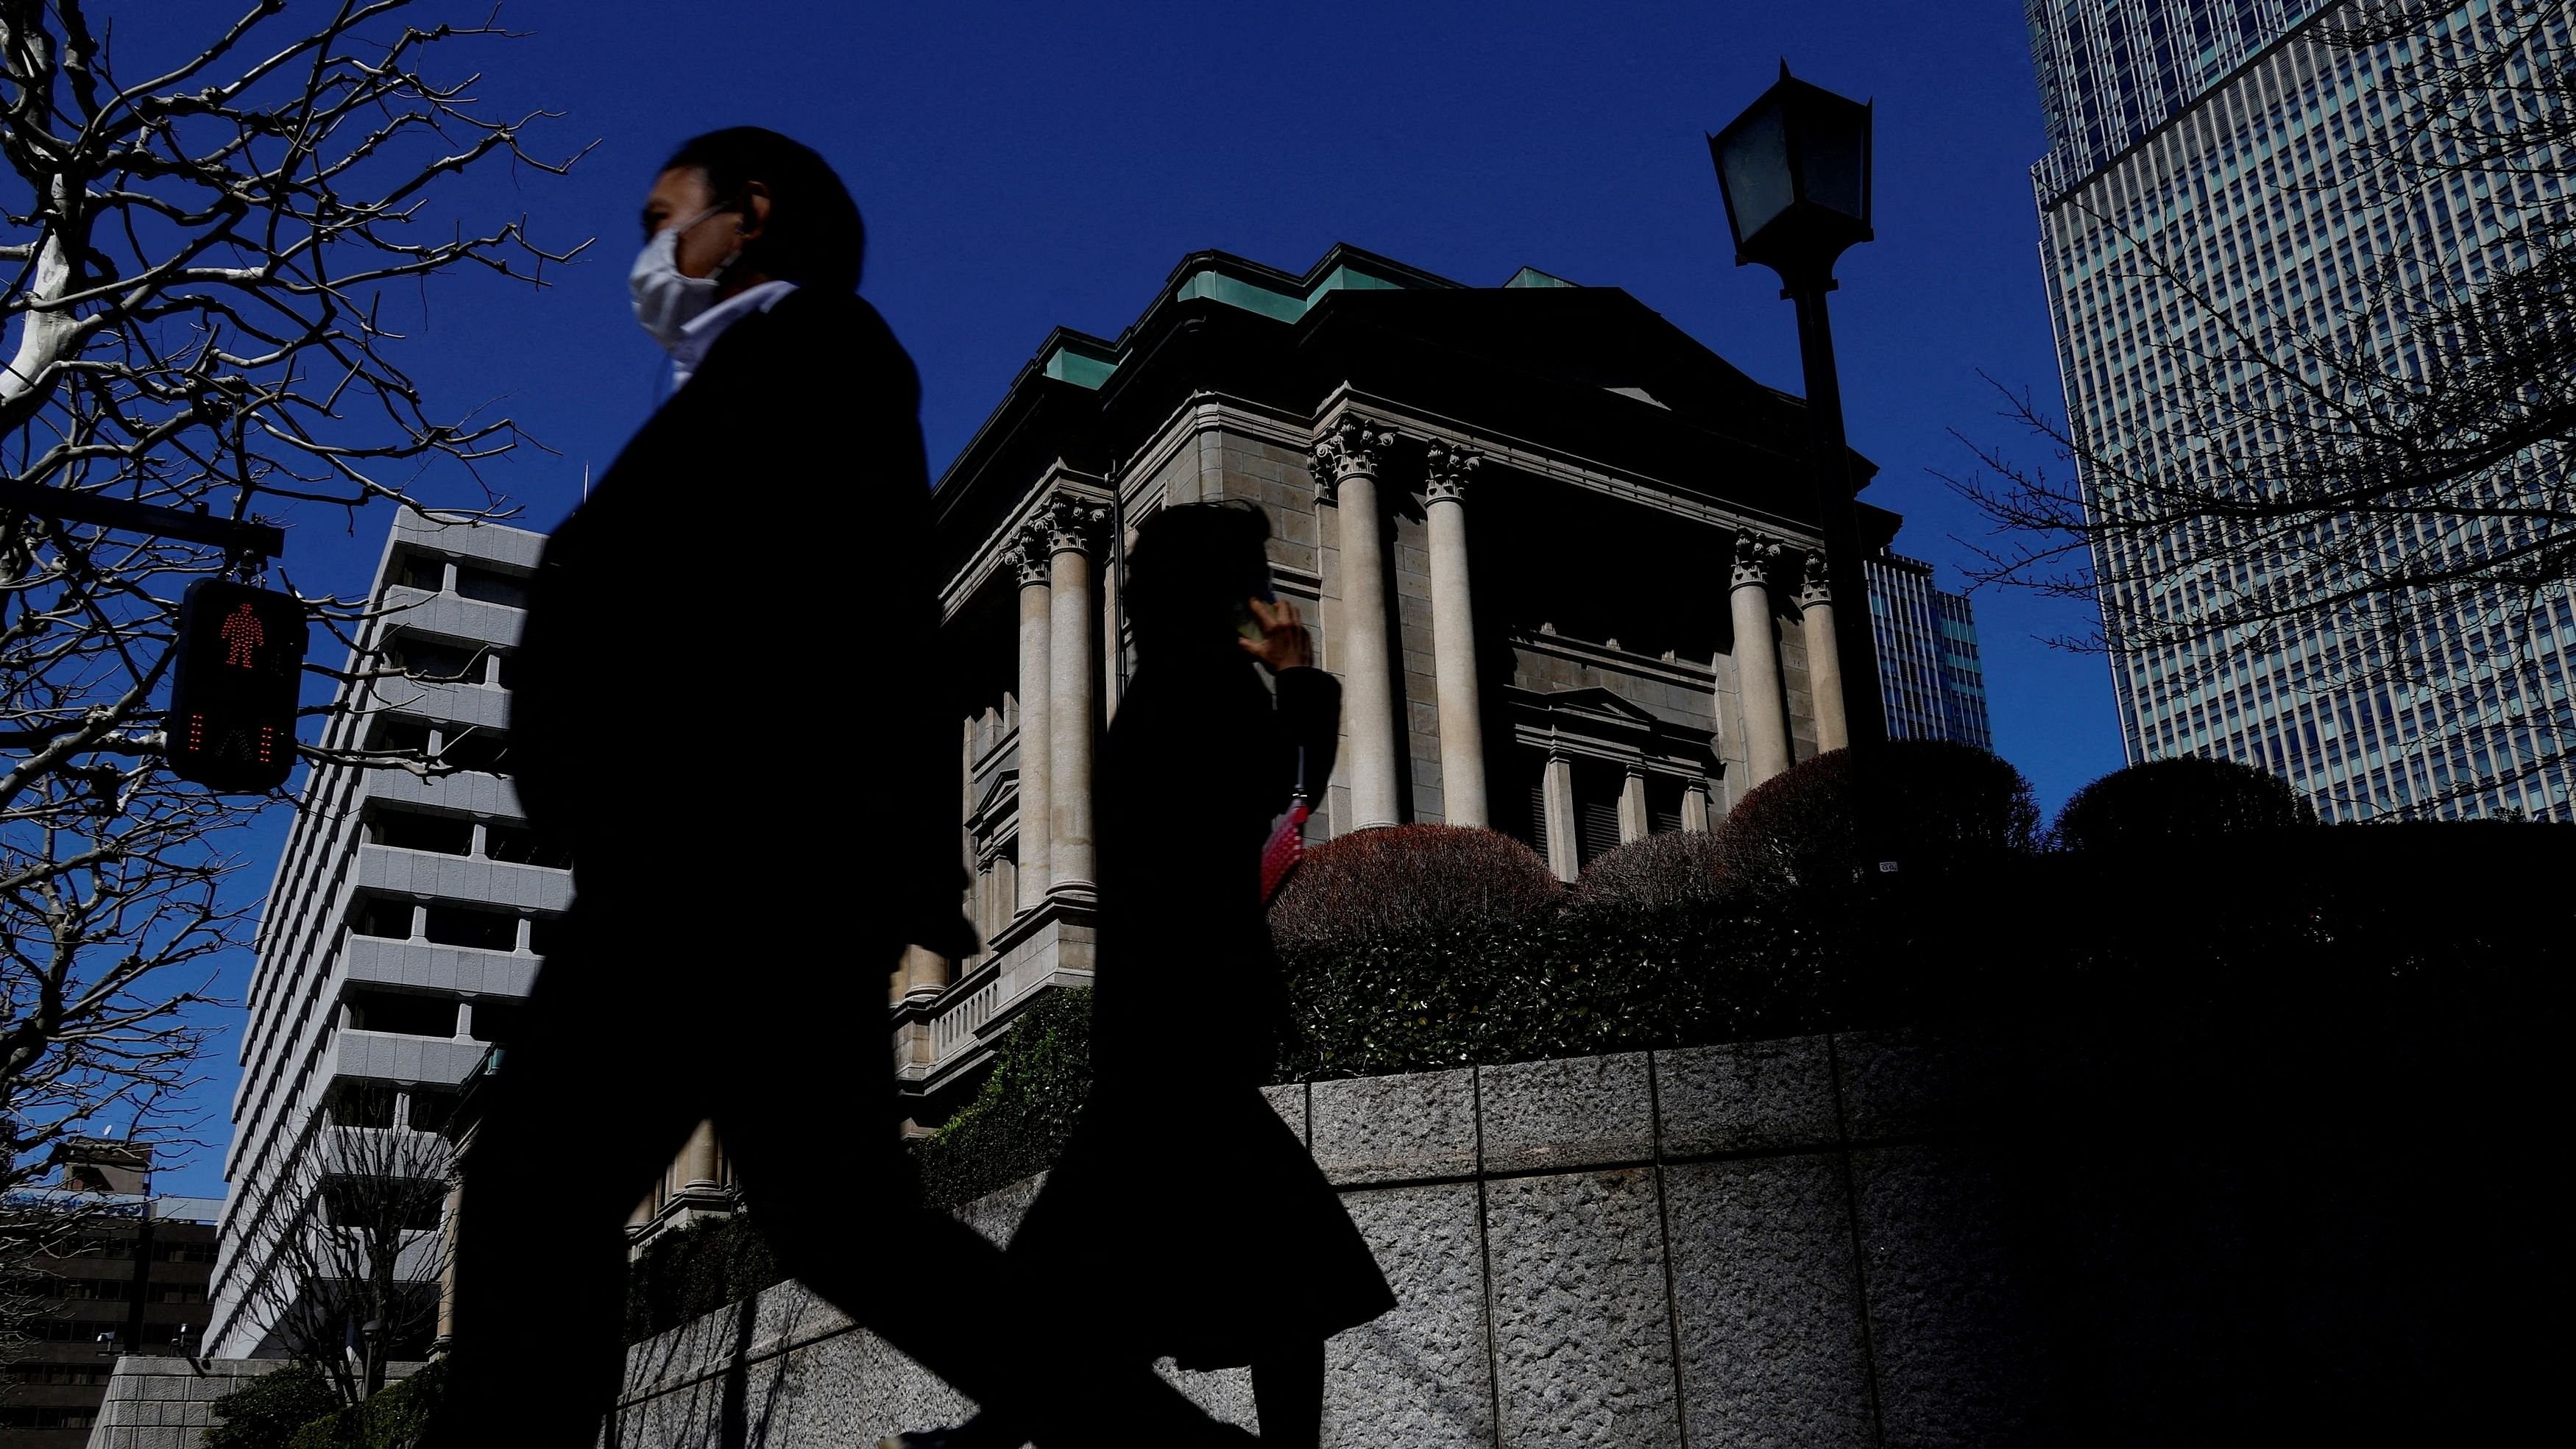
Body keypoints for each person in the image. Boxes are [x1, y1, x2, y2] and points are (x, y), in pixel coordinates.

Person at [428, 127, 1254, 1449]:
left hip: (716, 857)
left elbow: (836, 623)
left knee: (540, 1188)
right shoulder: (773, 363)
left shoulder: (813, 351)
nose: (651, 252)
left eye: (665, 217)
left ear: (750, 214)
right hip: (755, 861)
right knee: (845, 1220)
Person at [896, 502, 1395, 1449]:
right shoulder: (1206, 685)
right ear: (1224, 592)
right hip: (1182, 1020)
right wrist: (1296, 679)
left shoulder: (1161, 684)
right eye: (1254, 576)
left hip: (1159, 1021)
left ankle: (997, 1426)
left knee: (1152, 1252)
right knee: (1265, 1258)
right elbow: (1279, 792)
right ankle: (1002, 1428)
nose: (1270, 596)